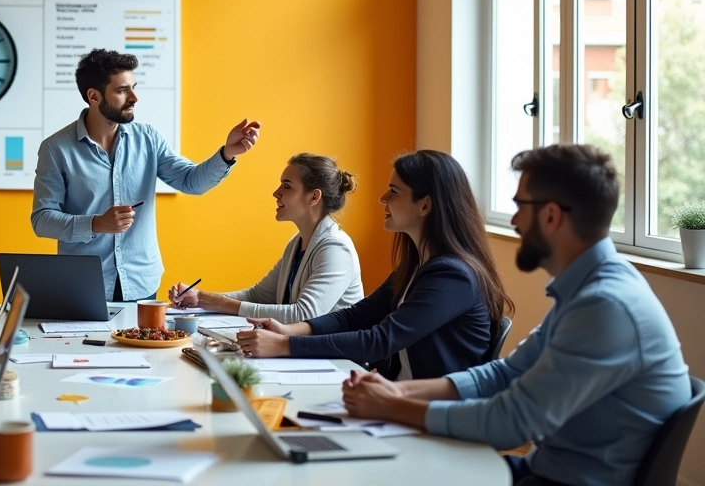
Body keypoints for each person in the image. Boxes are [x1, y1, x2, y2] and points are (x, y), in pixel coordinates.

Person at [341, 144, 690, 486]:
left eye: (521, 206)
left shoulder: (606, 306)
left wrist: (393, 407)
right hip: (545, 471)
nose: (514, 221)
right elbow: (506, 373)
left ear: (551, 216)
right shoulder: (589, 291)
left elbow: (512, 423)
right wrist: (399, 393)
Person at [237, 150, 513, 381]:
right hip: (395, 397)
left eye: (393, 191)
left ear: (425, 205)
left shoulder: (452, 276)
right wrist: (290, 330)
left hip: (430, 412)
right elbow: (355, 317)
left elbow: (380, 340)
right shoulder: (418, 264)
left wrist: (286, 345)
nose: (383, 198)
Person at [32, 48, 262, 301]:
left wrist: (227, 153)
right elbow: (42, 219)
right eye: (122, 91)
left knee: (138, 341)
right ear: (94, 96)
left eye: (133, 87)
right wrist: (96, 224)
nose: (134, 97)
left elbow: (190, 181)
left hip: (140, 281)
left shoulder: (148, 139)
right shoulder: (56, 149)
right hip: (83, 285)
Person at [168, 152, 364, 322]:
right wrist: (199, 299)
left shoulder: (336, 249)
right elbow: (257, 296)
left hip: (336, 362)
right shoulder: (296, 244)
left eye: (287, 186)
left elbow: (304, 314)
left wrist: (214, 301)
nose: (276, 193)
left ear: (313, 197)